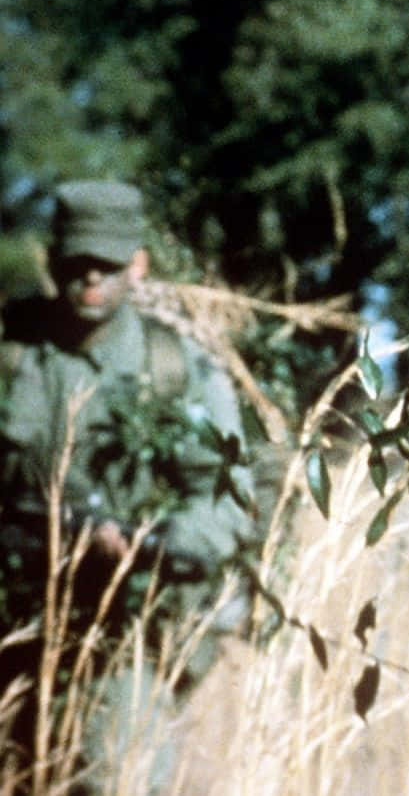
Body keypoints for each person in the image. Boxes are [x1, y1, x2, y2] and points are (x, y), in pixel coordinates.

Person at [0, 179, 252, 782]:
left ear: (137, 265)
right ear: (52, 262)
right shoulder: (14, 353)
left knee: (119, 776)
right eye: (76, 264)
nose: (91, 278)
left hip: (117, 629)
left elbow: (226, 500)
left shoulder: (174, 368)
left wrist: (145, 543)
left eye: (107, 265)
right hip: (13, 609)